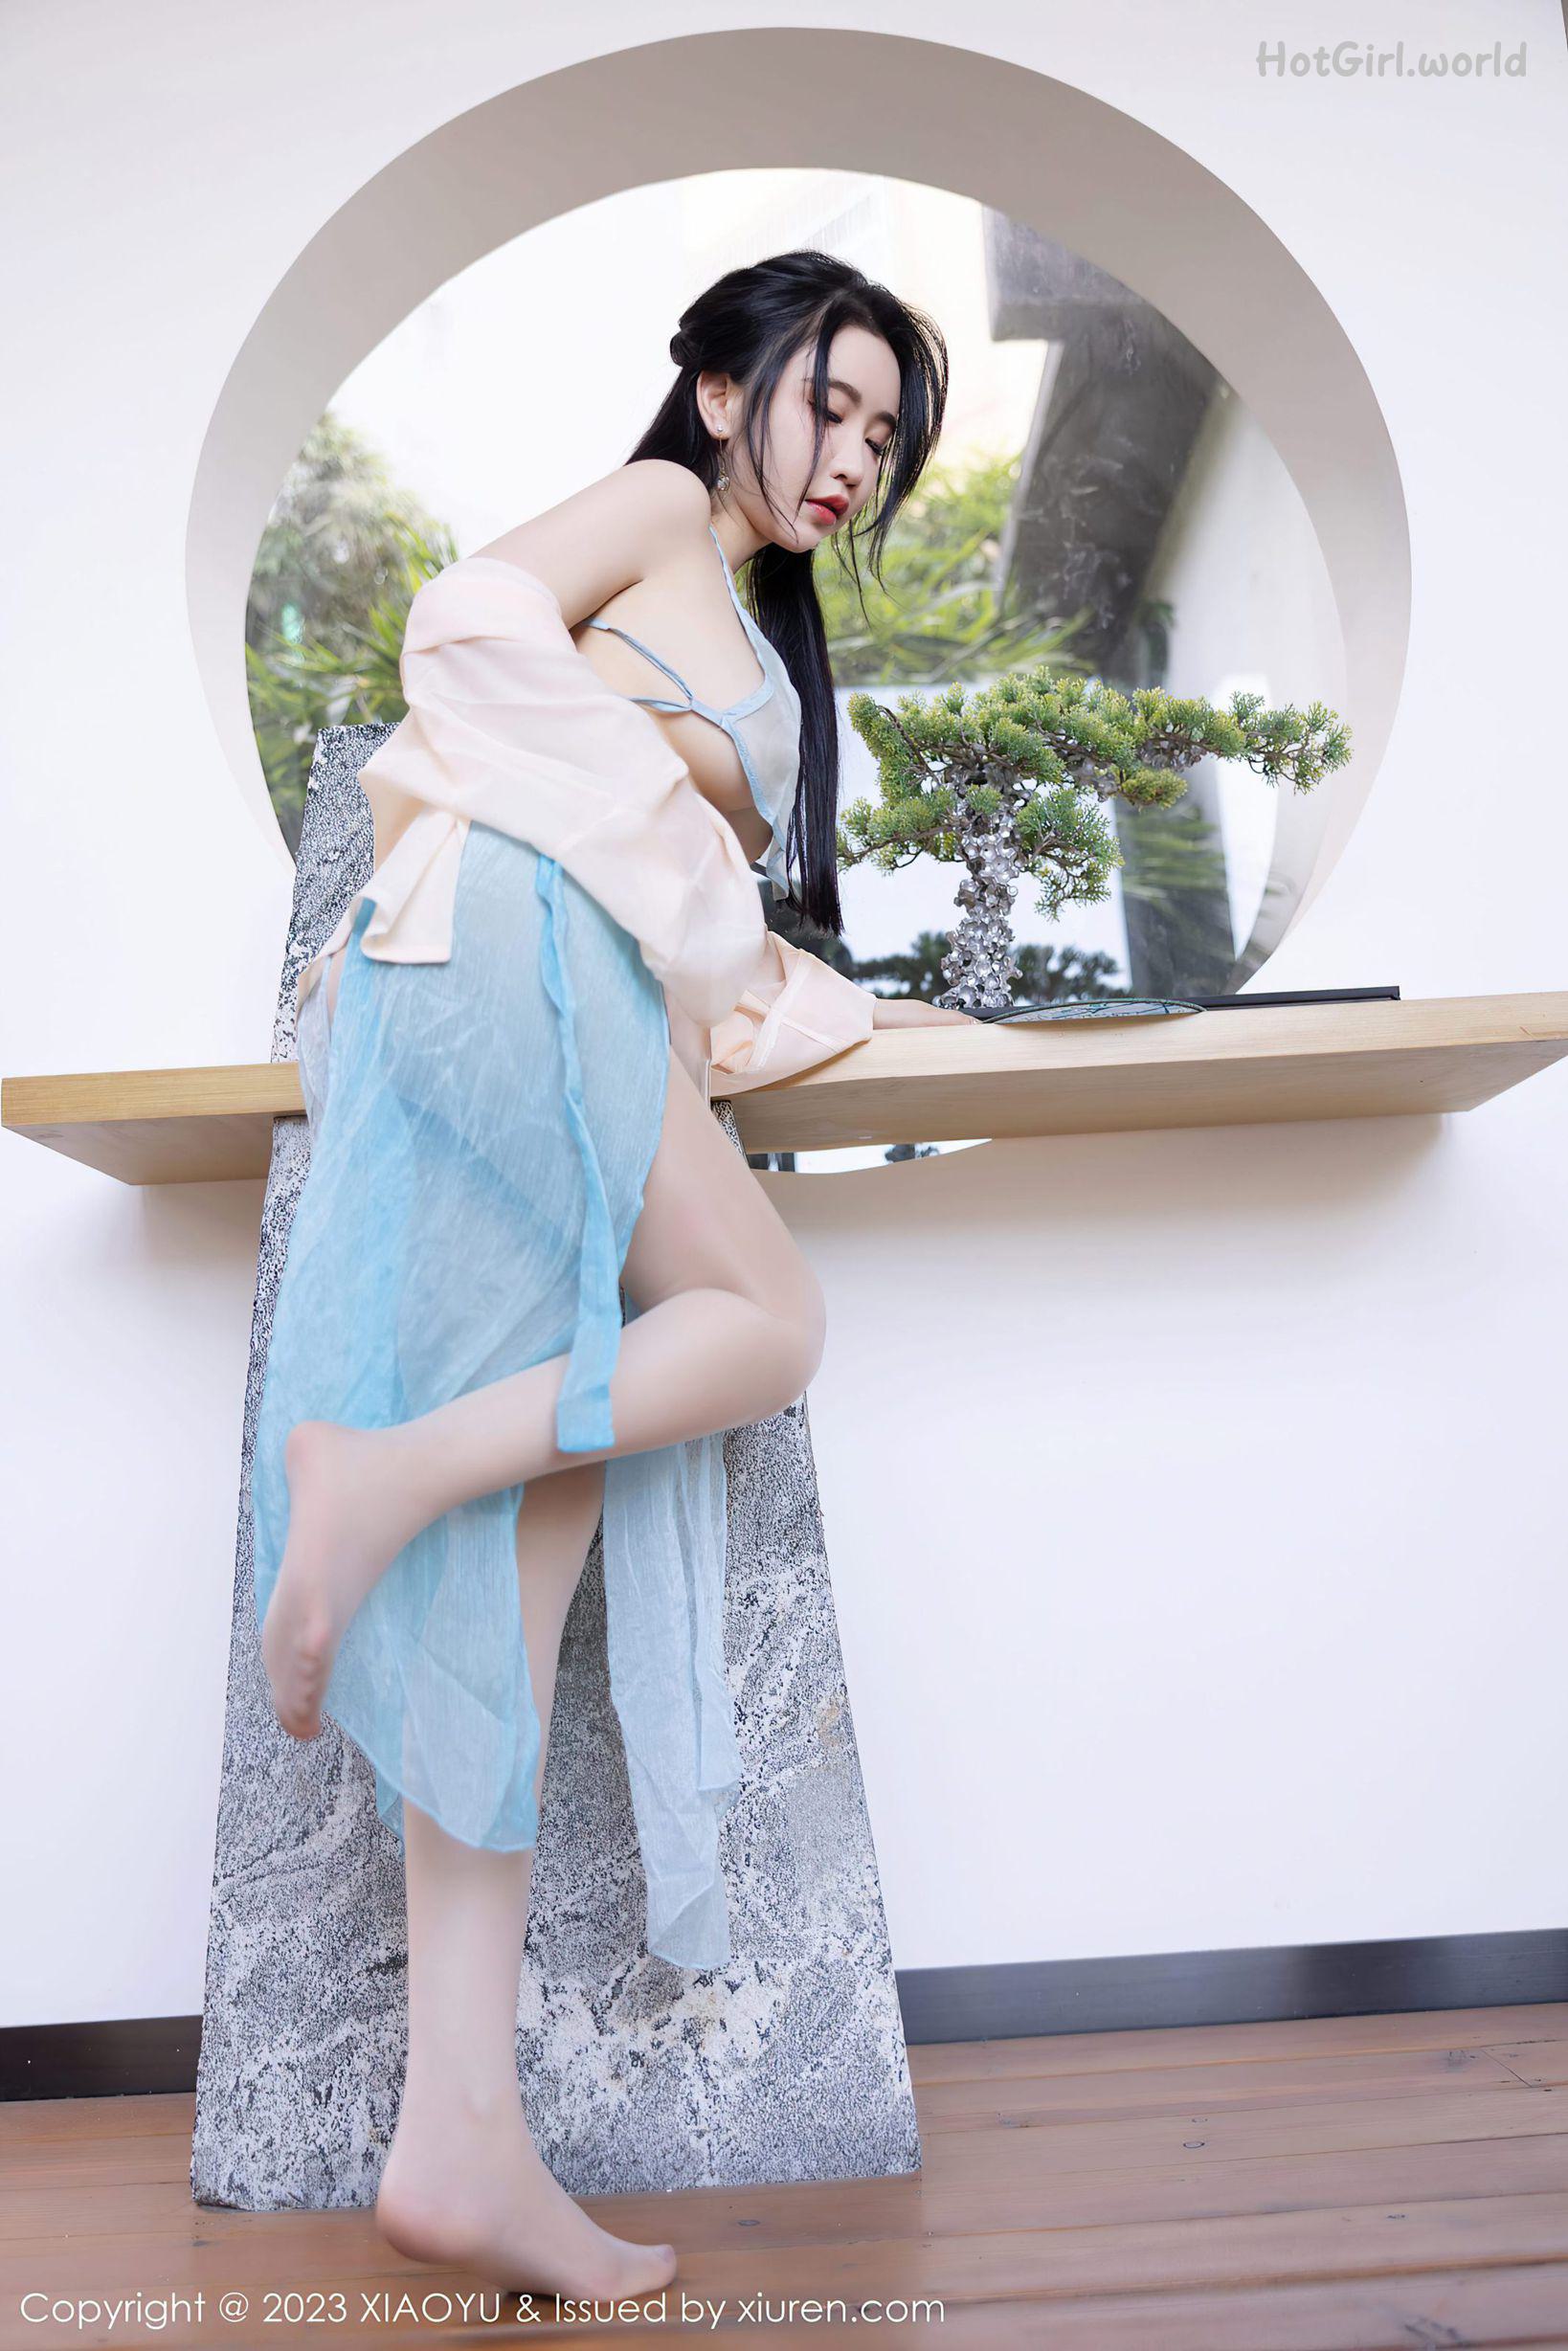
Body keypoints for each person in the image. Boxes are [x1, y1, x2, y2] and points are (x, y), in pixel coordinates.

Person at [250, 249, 976, 2299]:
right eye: (831, 401)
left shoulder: (746, 613)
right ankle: (372, 1472)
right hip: (508, 946)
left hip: (529, 982)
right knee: (769, 1322)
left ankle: (456, 2140)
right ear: (725, 383)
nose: (854, 457)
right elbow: (463, 618)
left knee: (522, 1550)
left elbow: (690, 910)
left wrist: (817, 988)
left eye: (886, 438)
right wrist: (679, 826)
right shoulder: (664, 504)